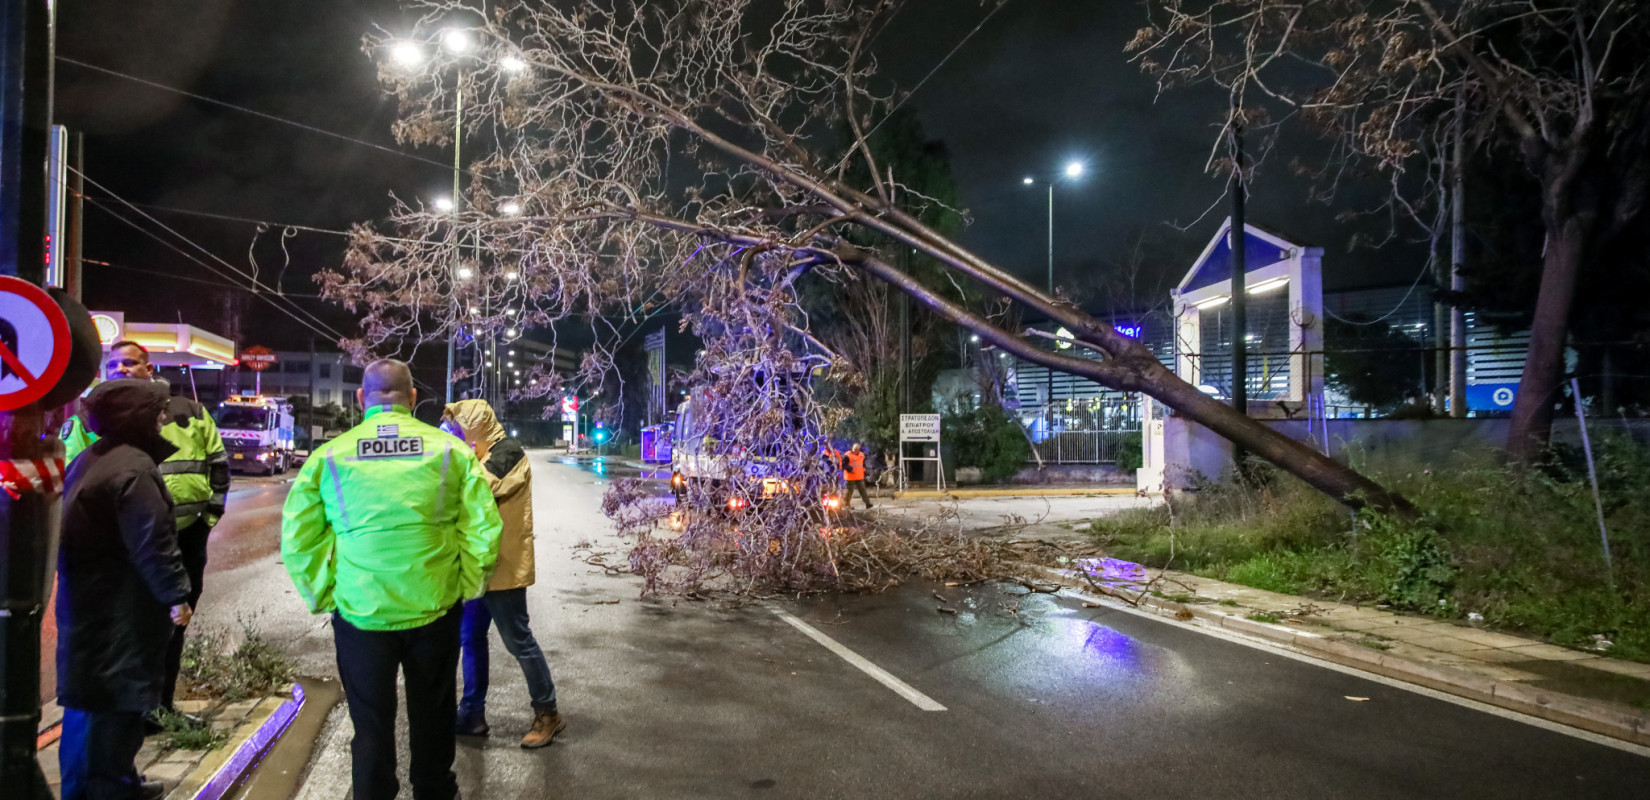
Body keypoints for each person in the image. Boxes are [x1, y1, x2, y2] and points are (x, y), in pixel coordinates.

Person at [281, 359, 501, 800]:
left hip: (362, 616)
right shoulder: (450, 452)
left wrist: (327, 594)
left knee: (371, 725)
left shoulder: (330, 457)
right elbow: (483, 528)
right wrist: (466, 585)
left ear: (361, 398)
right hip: (433, 610)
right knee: (433, 717)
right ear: (413, 398)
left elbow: (299, 539)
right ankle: (434, 790)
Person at [62, 340, 230, 727]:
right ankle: (130, 717)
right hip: (127, 545)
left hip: (184, 537)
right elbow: (73, 480)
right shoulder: (91, 421)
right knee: (130, 630)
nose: (122, 369)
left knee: (167, 630)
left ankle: (157, 707)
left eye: (130, 363)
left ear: (148, 368)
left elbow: (218, 464)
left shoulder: (190, 412)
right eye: (115, 364)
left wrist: (208, 518)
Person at [57, 379, 194, 800]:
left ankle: (118, 782)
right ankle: (102, 790)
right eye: (157, 410)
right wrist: (176, 595)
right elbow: (153, 542)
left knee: (97, 704)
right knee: (111, 706)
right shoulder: (133, 469)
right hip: (117, 610)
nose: (164, 417)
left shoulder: (93, 459)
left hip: (92, 607)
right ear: (137, 417)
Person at [443, 400, 565, 748]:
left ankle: (548, 713)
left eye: (458, 427)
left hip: (505, 567)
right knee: (470, 638)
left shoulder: (507, 453)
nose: (453, 433)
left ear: (474, 426)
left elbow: (479, 488)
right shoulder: (477, 453)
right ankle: (472, 713)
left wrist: (455, 457)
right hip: (479, 567)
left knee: (518, 641)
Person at [843, 442, 872, 509]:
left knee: (863, 490)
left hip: (859, 476)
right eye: (855, 449)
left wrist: (864, 469)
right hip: (850, 477)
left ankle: (868, 504)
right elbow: (844, 465)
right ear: (852, 448)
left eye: (857, 449)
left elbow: (862, 463)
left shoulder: (861, 455)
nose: (856, 450)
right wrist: (850, 469)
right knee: (849, 491)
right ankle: (846, 504)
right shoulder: (847, 455)